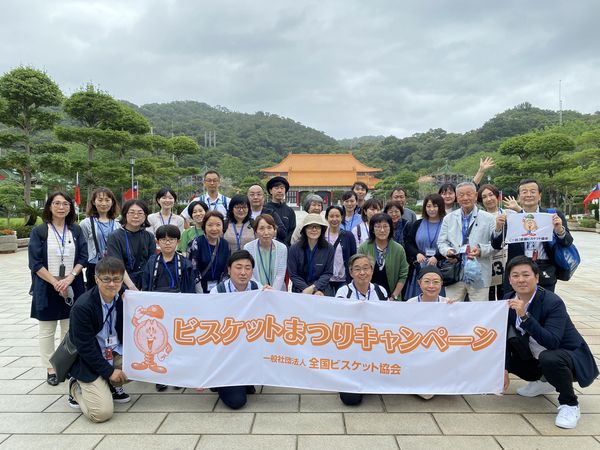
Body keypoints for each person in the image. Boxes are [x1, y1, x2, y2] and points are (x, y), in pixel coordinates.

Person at [503, 256, 599, 429]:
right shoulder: (508, 299)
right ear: (509, 280)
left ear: (537, 277)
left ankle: (570, 404)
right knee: (508, 353)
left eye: (526, 275)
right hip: (534, 355)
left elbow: (552, 342)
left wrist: (524, 316)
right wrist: (505, 369)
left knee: (550, 358)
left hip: (567, 357)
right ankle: (544, 382)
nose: (521, 280)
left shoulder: (552, 302)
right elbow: (503, 338)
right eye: (515, 275)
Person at [28, 192, 87, 386]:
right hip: (46, 286)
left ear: (70, 207)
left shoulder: (76, 230)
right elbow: (35, 263)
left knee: (69, 328)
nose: (61, 207)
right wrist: (55, 282)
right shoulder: (40, 231)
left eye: (65, 204)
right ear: (49, 206)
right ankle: (50, 368)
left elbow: (83, 257)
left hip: (73, 285)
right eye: (57, 203)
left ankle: (66, 364)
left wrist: (70, 278)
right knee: (47, 329)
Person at [67, 257, 130, 422]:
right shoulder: (83, 307)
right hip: (89, 359)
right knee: (101, 414)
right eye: (106, 279)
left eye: (117, 279)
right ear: (96, 279)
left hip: (113, 352)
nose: (112, 284)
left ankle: (111, 385)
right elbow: (85, 349)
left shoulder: (124, 299)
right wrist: (109, 371)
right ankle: (76, 387)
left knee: (144, 366)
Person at [493, 179, 574, 293]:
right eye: (524, 192)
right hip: (517, 269)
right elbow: (496, 245)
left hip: (544, 269)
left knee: (544, 306)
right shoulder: (512, 219)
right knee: (515, 306)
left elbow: (567, 242)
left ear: (539, 195)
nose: (529, 195)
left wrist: (559, 229)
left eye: (532, 191)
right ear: (519, 196)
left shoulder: (552, 215)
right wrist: (498, 228)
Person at [142, 224, 195, 392]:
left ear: (178, 242)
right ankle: (161, 376)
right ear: (157, 242)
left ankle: (178, 375)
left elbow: (190, 288)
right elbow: (146, 284)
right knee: (159, 342)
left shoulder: (184, 263)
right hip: (157, 310)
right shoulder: (152, 262)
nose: (167, 243)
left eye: (171, 240)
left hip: (178, 308)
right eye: (163, 240)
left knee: (177, 342)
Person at [208, 251, 263, 408]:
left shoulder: (257, 288)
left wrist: (271, 296)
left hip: (248, 350)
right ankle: (218, 381)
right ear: (229, 269)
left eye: (248, 268)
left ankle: (246, 379)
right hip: (226, 355)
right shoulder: (217, 292)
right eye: (238, 267)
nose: (243, 272)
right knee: (237, 402)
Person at [334, 254, 388, 406]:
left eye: (366, 268)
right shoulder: (343, 293)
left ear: (372, 270)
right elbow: (339, 323)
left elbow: (389, 319)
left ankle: (370, 378)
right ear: (351, 272)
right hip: (351, 352)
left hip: (375, 348)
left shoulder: (380, 291)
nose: (362, 273)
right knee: (350, 400)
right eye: (357, 269)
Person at [437, 182, 496, 302]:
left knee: (479, 312)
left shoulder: (489, 218)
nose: (465, 198)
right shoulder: (449, 218)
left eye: (468, 194)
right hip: (455, 272)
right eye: (461, 195)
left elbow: (496, 245)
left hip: (479, 273)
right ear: (457, 198)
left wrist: (480, 250)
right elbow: (441, 242)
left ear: (475, 195)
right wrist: (448, 251)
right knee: (451, 310)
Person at [357, 213, 409, 301]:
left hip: (392, 298)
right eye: (377, 226)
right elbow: (358, 272)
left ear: (390, 228)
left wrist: (394, 296)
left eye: (385, 226)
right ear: (372, 229)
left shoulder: (398, 249)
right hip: (368, 297)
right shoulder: (364, 247)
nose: (382, 230)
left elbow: (403, 275)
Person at [106, 200, 156, 291]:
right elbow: (117, 264)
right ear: (125, 214)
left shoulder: (149, 237)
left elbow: (151, 263)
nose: (136, 216)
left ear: (145, 216)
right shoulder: (115, 236)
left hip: (145, 284)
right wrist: (131, 286)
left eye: (140, 213)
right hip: (122, 282)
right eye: (132, 212)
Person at [404, 194, 446, 299]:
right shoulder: (417, 224)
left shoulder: (447, 223)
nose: (431, 209)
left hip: (440, 267)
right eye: (428, 206)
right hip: (420, 267)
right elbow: (409, 243)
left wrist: (437, 257)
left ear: (440, 207)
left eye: (435, 206)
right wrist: (417, 254)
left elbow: (451, 244)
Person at [79, 187, 121, 289]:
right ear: (94, 202)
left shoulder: (117, 224)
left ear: (112, 202)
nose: (104, 203)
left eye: (107, 200)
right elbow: (82, 246)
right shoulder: (86, 223)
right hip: (94, 265)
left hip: (114, 266)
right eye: (100, 200)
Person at [478, 184, 512, 300]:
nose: (488, 199)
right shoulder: (479, 217)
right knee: (489, 295)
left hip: (506, 259)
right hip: (488, 260)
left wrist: (517, 208)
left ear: (497, 196)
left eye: (491, 195)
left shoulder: (509, 213)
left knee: (505, 293)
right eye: (484, 197)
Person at [288, 214, 334, 295]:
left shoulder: (329, 248)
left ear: (322, 229)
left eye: (317, 227)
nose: (314, 229)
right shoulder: (294, 249)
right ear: (304, 229)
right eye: (310, 226)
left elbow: (328, 273)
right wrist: (306, 289)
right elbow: (293, 274)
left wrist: (314, 288)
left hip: (321, 290)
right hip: (300, 290)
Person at [189, 211, 230, 293]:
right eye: (210, 225)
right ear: (204, 226)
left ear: (222, 226)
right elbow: (193, 268)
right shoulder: (196, 243)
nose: (214, 229)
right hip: (199, 289)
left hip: (219, 288)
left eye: (218, 225)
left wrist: (222, 288)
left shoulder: (225, 244)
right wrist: (199, 290)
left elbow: (226, 269)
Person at [244, 214, 288, 291]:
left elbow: (280, 275)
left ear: (274, 230)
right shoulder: (248, 248)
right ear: (255, 231)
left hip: (277, 292)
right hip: (256, 291)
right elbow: (250, 274)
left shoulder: (282, 248)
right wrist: (261, 289)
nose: (266, 232)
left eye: (269, 228)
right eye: (261, 228)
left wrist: (272, 291)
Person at [324, 205, 357, 293]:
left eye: (337, 216)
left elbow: (353, 257)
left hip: (344, 279)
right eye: (331, 216)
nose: (334, 219)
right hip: (326, 279)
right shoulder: (322, 236)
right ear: (327, 218)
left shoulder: (348, 235)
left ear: (342, 217)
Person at [263, 176, 296, 246]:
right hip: (267, 245)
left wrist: (284, 245)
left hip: (285, 247)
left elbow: (292, 231)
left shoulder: (289, 211)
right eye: (276, 188)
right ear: (270, 191)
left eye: (282, 188)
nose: (279, 191)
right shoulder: (264, 209)